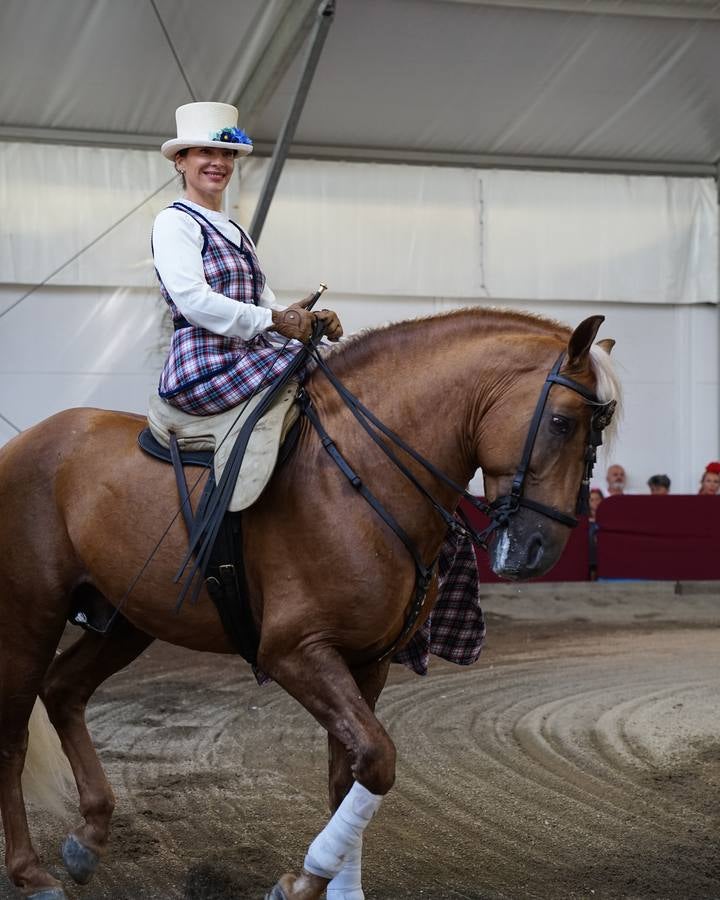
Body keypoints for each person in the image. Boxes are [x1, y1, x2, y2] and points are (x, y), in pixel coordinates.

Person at [153, 101, 343, 416]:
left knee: (340, 354)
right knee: (329, 365)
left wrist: (310, 322)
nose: (219, 162)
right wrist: (275, 321)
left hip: (249, 357)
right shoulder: (174, 222)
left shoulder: (237, 230)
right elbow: (193, 302)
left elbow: (264, 304)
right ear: (180, 161)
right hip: (205, 366)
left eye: (227, 154)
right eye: (206, 152)